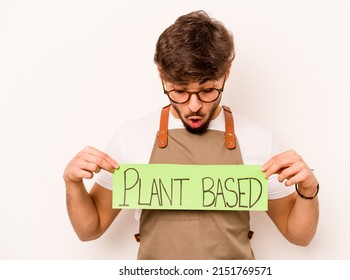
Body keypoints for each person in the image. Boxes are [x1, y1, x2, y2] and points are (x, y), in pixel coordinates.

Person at [63, 10, 319, 260]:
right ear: (162, 76)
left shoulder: (257, 138)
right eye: (180, 91)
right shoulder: (131, 137)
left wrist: (308, 190)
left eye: (207, 90)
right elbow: (90, 229)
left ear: (226, 74)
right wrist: (72, 182)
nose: (193, 105)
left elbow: (298, 235)